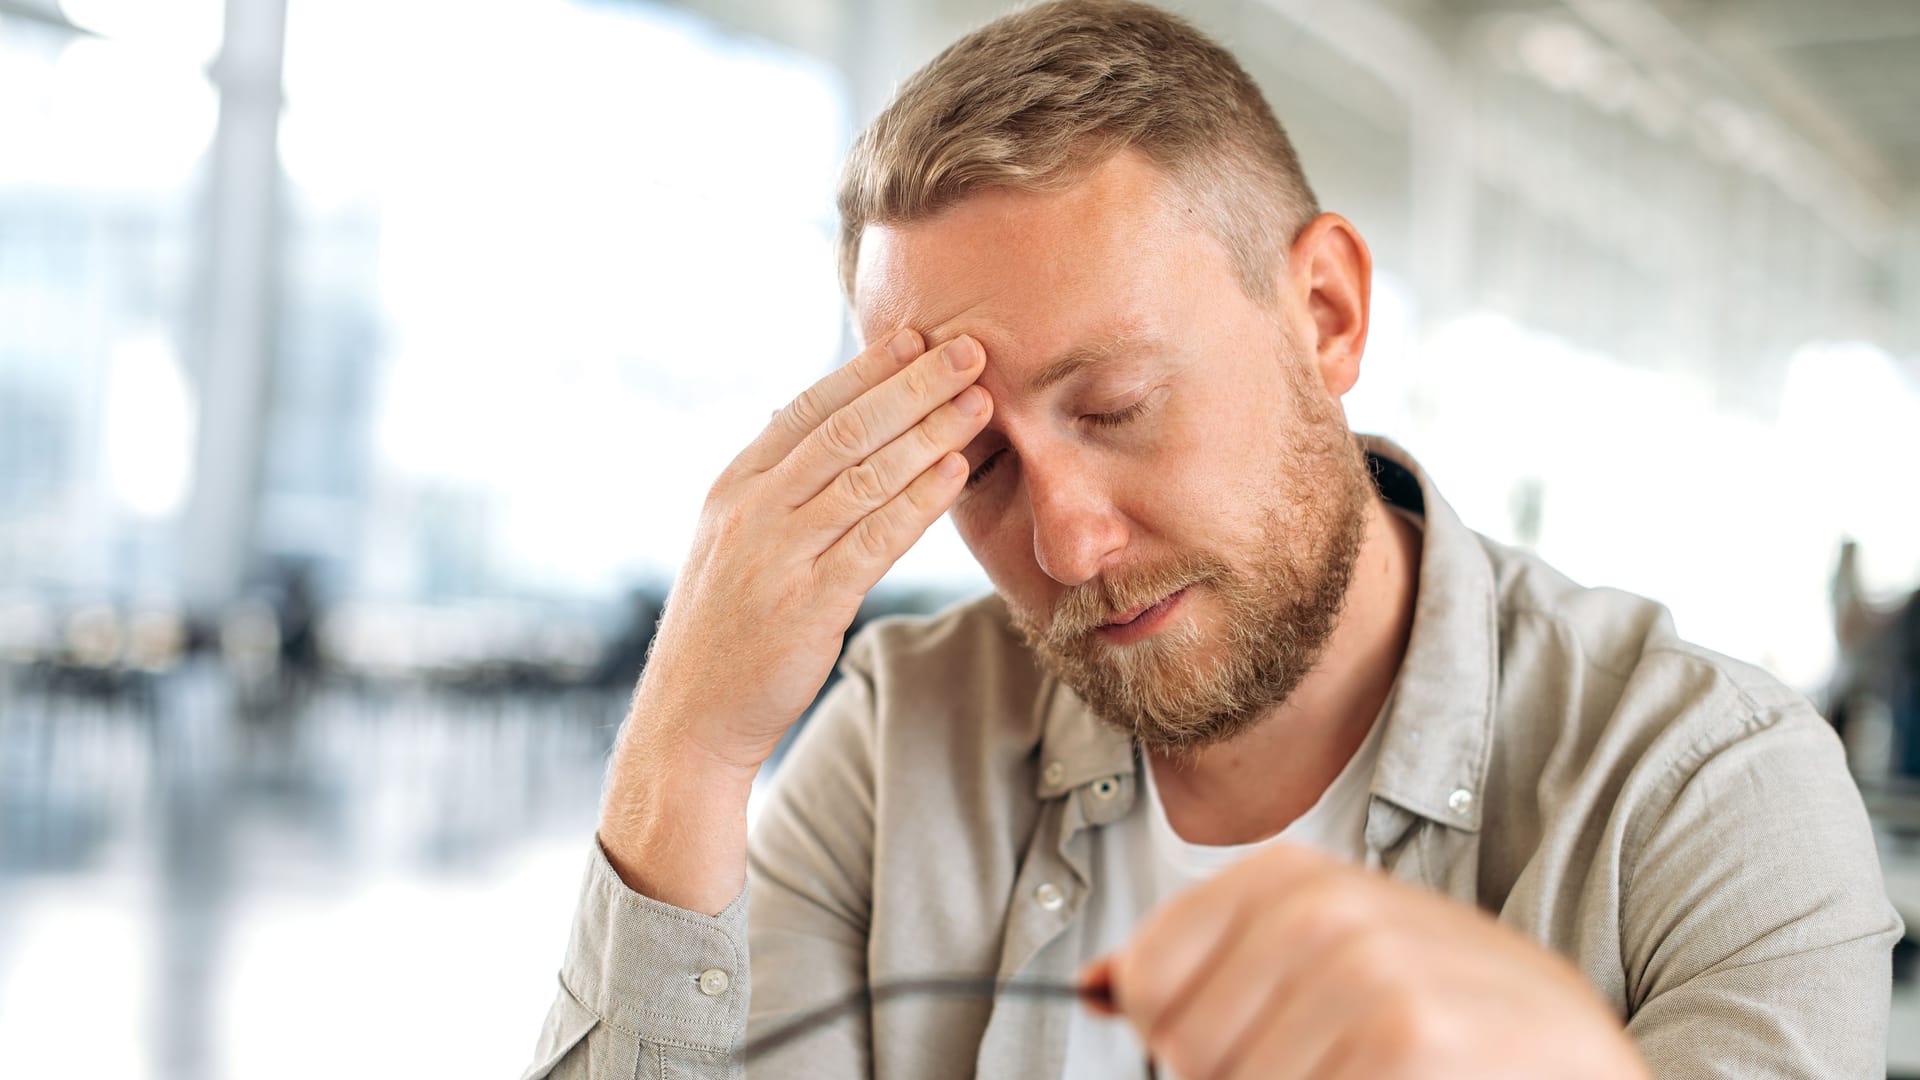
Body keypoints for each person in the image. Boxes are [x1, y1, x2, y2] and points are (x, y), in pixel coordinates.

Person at [524, 2, 1902, 1076]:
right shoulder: (898, 754)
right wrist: (687, 751)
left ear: (1327, 316)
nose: (1062, 542)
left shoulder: (1706, 793)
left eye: (1118, 406)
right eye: (980, 460)